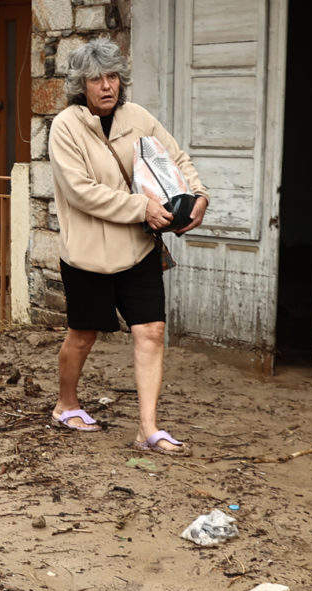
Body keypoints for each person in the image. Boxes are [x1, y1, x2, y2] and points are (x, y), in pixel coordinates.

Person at [46, 38, 207, 452]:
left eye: (113, 76)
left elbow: (177, 159)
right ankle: (66, 404)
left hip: (138, 248)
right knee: (83, 335)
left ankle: (148, 430)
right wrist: (142, 207)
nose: (107, 86)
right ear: (81, 85)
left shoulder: (137, 117)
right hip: (89, 255)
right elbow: (81, 191)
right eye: (97, 79)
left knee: (151, 331)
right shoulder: (66, 126)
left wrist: (200, 195)